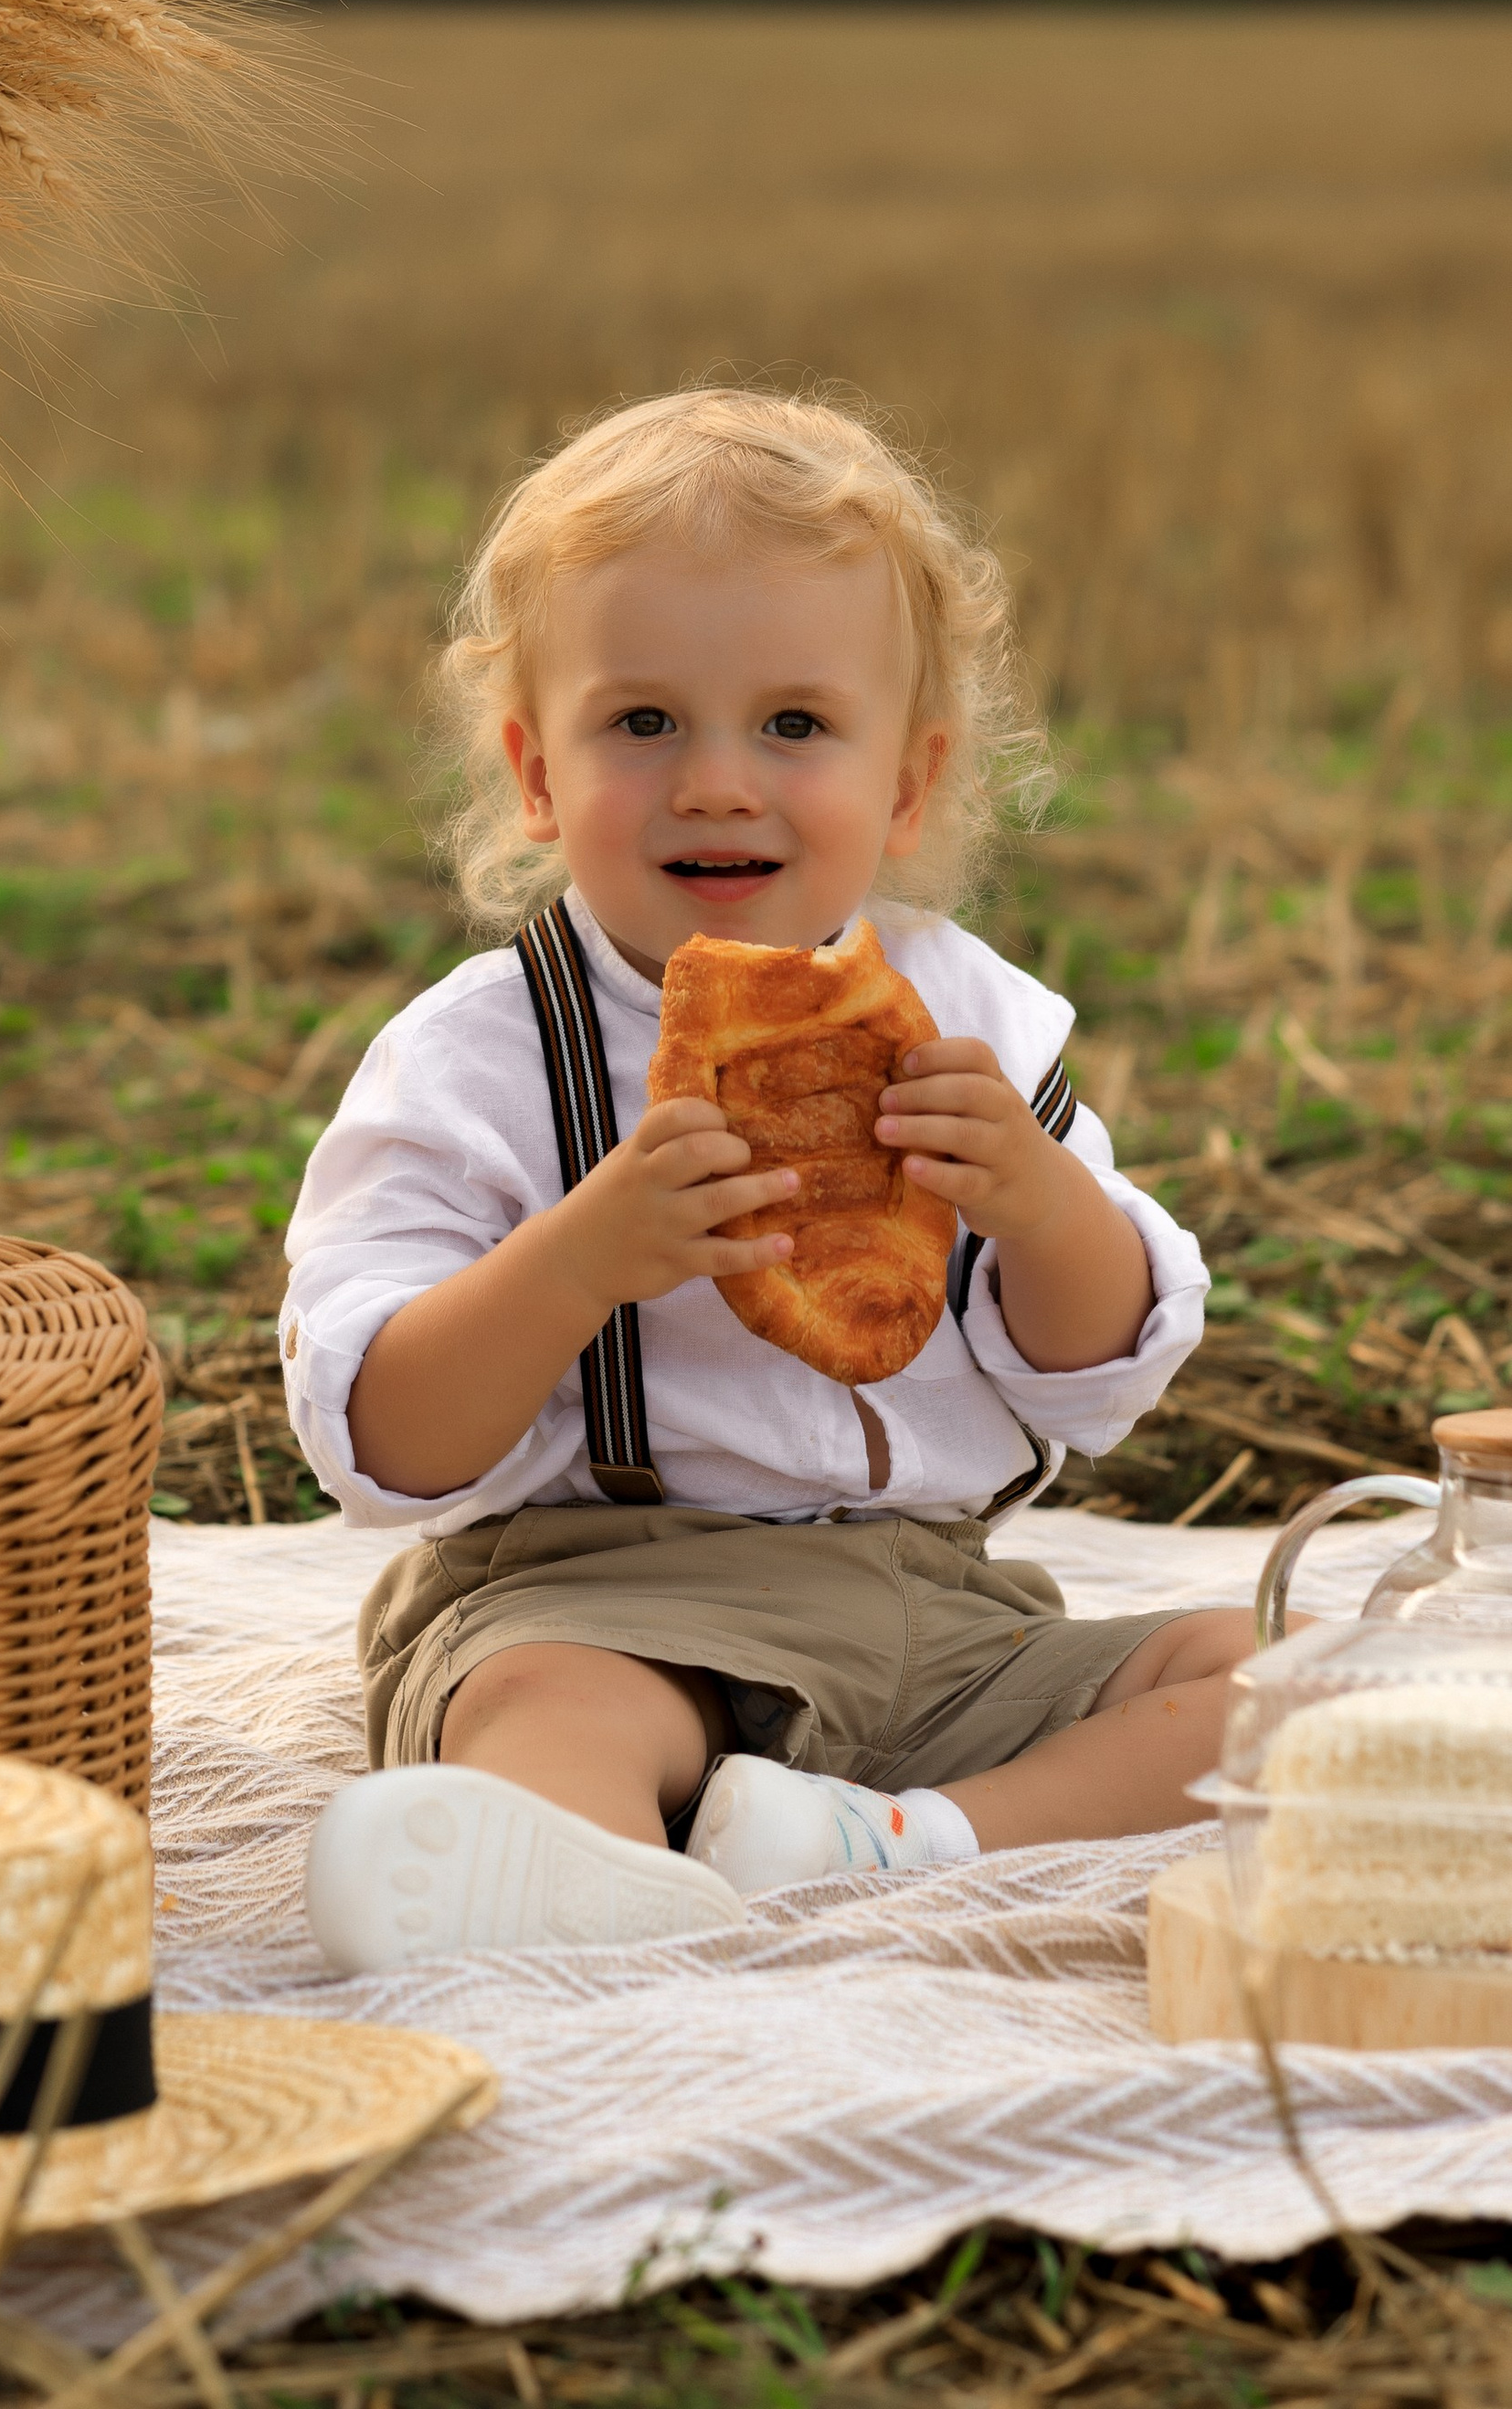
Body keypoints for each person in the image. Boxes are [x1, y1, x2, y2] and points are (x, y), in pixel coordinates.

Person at [283, 387, 1239, 1971]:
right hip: (601, 1596)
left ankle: (894, 1843)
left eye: (794, 725)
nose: (720, 781)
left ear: (909, 784)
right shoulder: (481, 1060)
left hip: (935, 1609)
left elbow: (1095, 1376)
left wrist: (1042, 1204)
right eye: (643, 723)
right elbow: (380, 1437)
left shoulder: (973, 1022)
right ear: (535, 774)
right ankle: (560, 1883)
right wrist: (577, 1261)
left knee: (1269, 1681)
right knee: (542, 1710)